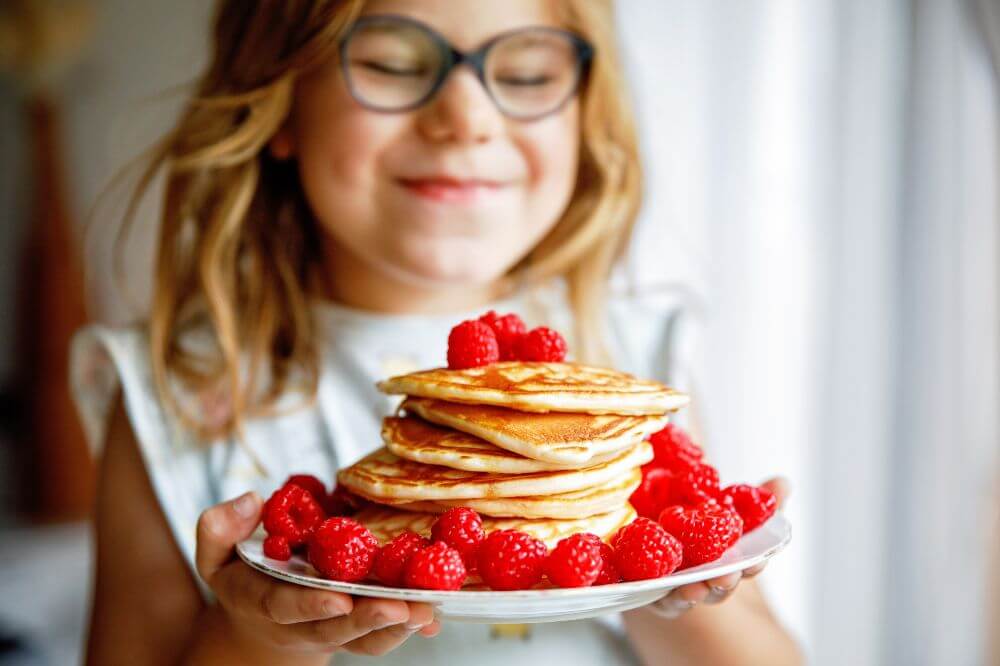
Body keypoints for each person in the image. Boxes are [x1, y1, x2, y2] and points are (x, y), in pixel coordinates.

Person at [71, 0, 803, 663]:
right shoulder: (177, 396)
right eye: (391, 65)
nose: (467, 117)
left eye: (524, 74)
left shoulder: (627, 374)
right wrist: (258, 635)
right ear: (282, 99)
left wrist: (667, 576)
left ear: (585, 115)